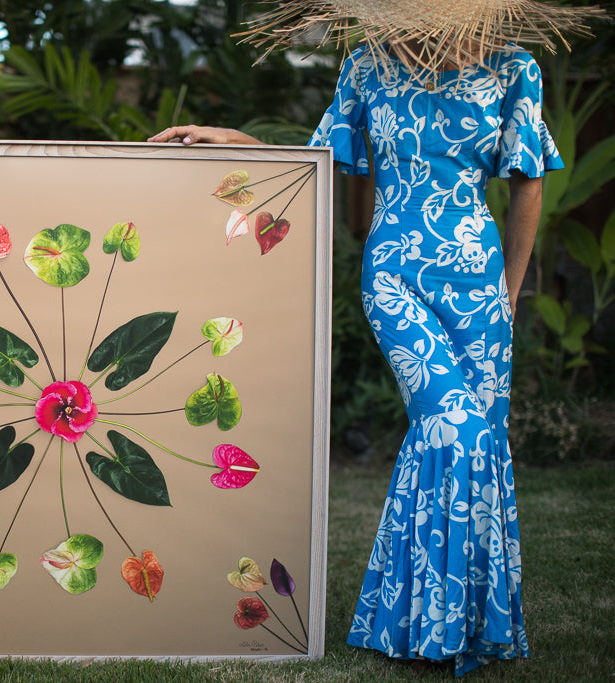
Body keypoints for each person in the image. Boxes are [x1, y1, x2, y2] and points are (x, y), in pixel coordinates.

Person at [148, 0, 603, 674]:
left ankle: (434, 625)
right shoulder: (370, 67)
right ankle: (436, 621)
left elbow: (528, 185)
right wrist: (229, 136)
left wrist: (507, 296)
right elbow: (319, 161)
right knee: (455, 428)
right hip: (394, 278)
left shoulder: (515, 70)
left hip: (479, 288)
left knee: (472, 441)